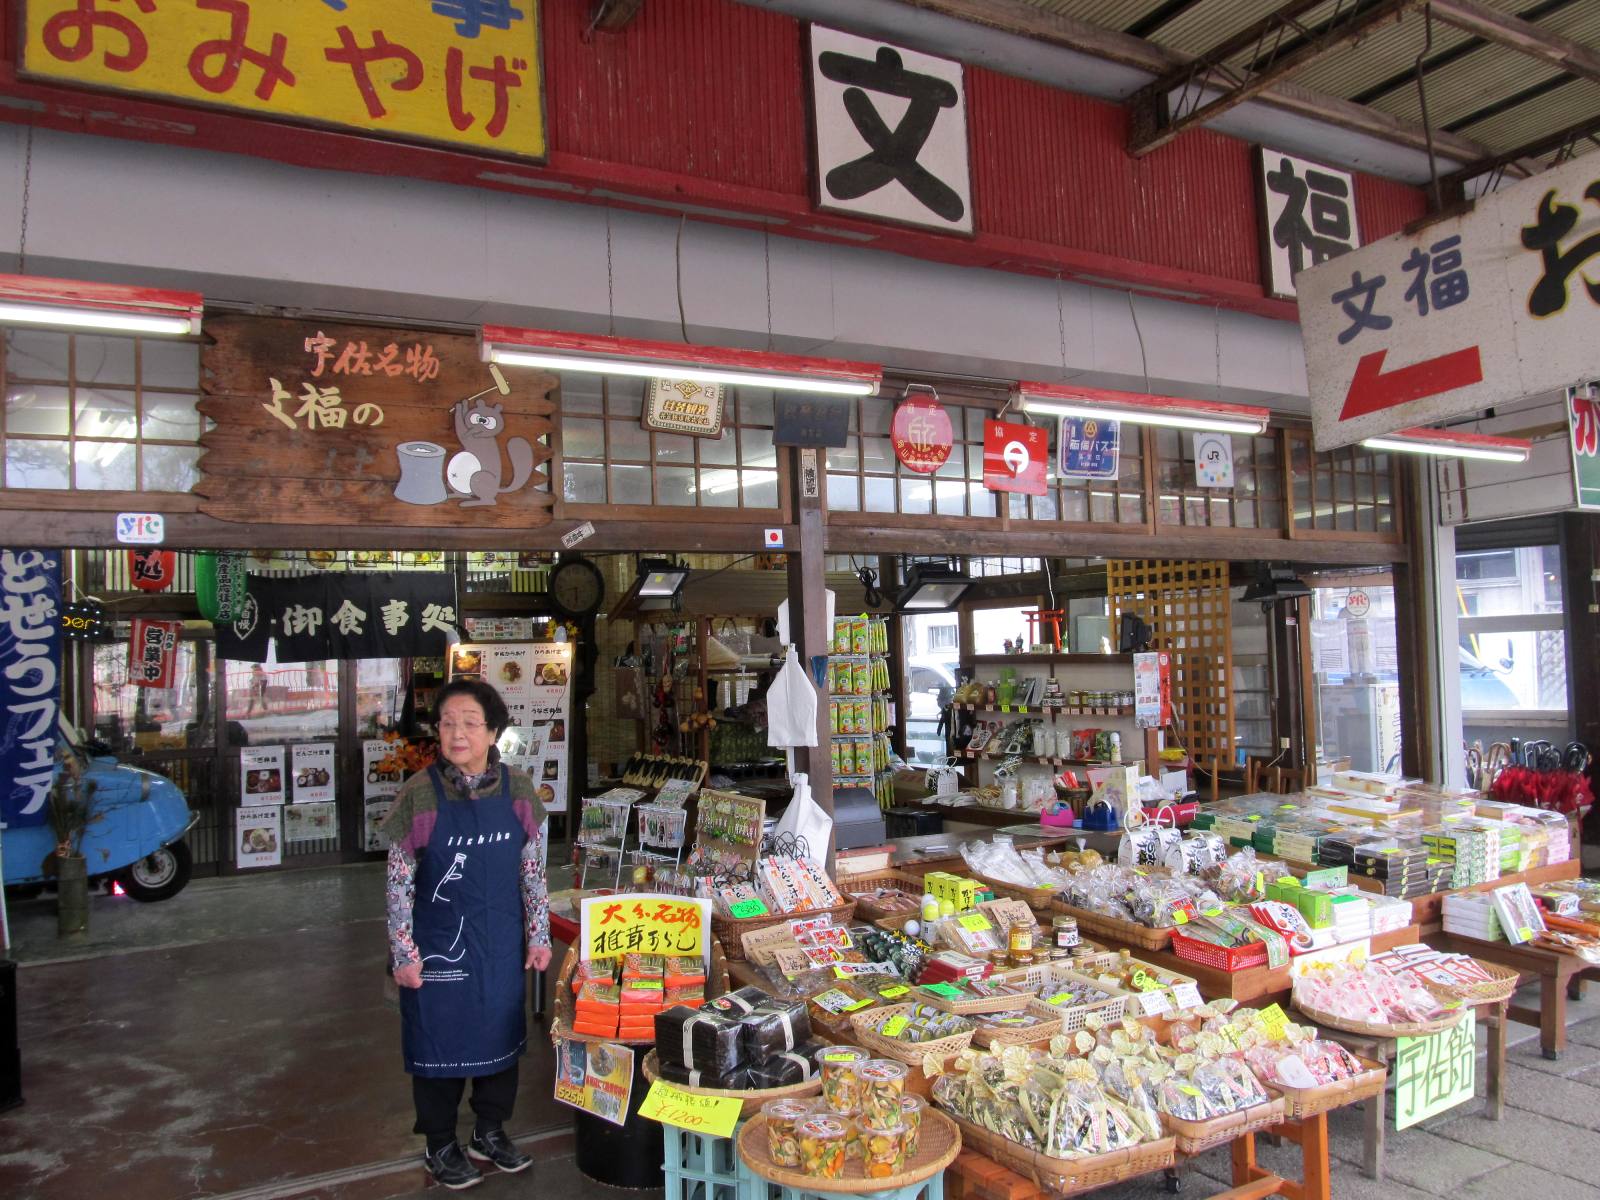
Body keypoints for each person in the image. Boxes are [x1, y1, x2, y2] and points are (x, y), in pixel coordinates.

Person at [381, 678, 552, 1190]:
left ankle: (490, 1131)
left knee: (501, 1039)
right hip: (436, 947)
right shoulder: (419, 792)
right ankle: (439, 1143)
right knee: (439, 1046)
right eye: (448, 723)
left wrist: (539, 934)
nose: (457, 733)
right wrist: (402, 952)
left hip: (499, 943)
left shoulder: (519, 789)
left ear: (494, 731)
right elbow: (397, 881)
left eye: (470, 723)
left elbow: (533, 870)